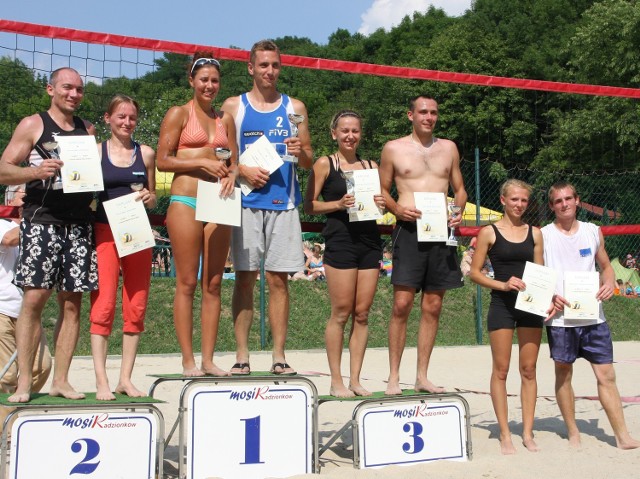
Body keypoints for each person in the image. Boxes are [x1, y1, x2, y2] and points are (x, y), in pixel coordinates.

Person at [0, 67, 98, 403]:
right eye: (67, 87)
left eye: (79, 89)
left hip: (79, 223)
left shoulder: (87, 130)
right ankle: (25, 382)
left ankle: (61, 379)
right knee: (34, 298)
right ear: (50, 89)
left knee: (72, 303)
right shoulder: (33, 124)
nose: (74, 94)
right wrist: (34, 171)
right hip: (42, 219)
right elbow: (2, 169)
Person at [221, 40, 313, 376]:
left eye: (274, 65)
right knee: (244, 278)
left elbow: (307, 160)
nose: (269, 71)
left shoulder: (294, 107)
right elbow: (221, 154)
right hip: (244, 201)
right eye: (263, 65)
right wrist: (242, 169)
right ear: (250, 67)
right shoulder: (234, 106)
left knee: (278, 281)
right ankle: (242, 355)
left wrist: (300, 148)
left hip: (284, 203)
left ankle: (279, 355)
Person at [379, 94, 467, 395]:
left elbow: (460, 189)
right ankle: (393, 376)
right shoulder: (393, 148)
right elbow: (382, 192)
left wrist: (458, 210)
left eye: (433, 112)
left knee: (433, 305)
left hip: (440, 231)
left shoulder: (449, 148)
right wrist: (396, 209)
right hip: (408, 228)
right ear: (410, 115)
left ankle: (421, 376)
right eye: (423, 112)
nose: (429, 117)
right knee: (402, 304)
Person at [157, 53, 238, 377]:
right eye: (203, 79)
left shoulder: (225, 120)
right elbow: (163, 160)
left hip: (218, 200)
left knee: (214, 282)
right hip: (187, 200)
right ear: (192, 81)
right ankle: (188, 360)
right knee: (187, 281)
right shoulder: (179, 113)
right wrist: (200, 163)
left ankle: (208, 359)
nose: (209, 85)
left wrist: (231, 174)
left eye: (214, 80)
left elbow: (232, 161)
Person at [544, 181, 640, 450]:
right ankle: (573, 431)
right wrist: (550, 295)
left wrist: (609, 282)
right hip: (561, 318)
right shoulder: (543, 235)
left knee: (607, 375)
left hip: (593, 316)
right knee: (563, 373)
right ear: (552, 206)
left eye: (568, 198)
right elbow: (537, 273)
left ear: (577, 200)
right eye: (558, 200)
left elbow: (606, 266)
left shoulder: (592, 231)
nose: (564, 204)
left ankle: (622, 436)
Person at [304, 109, 385, 397]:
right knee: (341, 312)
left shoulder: (371, 165)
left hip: (370, 242)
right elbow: (309, 205)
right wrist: (338, 204)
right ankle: (336, 380)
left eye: (355, 131)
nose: (350, 136)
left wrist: (382, 204)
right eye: (345, 131)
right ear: (334, 134)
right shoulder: (325, 163)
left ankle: (356, 380)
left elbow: (382, 202)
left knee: (362, 314)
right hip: (340, 241)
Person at [469, 179, 544, 454]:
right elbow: (474, 273)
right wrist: (503, 284)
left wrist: (545, 298)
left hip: (529, 306)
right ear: (503, 200)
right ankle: (504, 433)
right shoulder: (489, 232)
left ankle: (526, 431)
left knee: (529, 369)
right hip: (501, 303)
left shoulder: (535, 233)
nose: (519, 205)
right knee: (500, 370)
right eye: (514, 199)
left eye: (524, 200)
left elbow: (540, 273)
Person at [90, 95, 156, 400]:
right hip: (104, 229)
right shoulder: (96, 150)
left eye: (131, 117)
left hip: (136, 230)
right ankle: (101, 380)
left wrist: (149, 197)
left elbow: (153, 194)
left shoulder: (146, 153)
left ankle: (125, 379)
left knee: (136, 304)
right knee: (103, 304)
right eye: (121, 117)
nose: (127, 122)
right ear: (108, 118)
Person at [1, 185, 52, 428]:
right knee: (6, 375)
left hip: (28, 313)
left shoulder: (37, 225)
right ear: (11, 198)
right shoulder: (4, 223)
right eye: (25, 194)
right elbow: (10, 240)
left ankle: (15, 418)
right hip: (2, 308)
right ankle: (7, 431)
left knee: (41, 367)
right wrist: (44, 221)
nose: (31, 199)